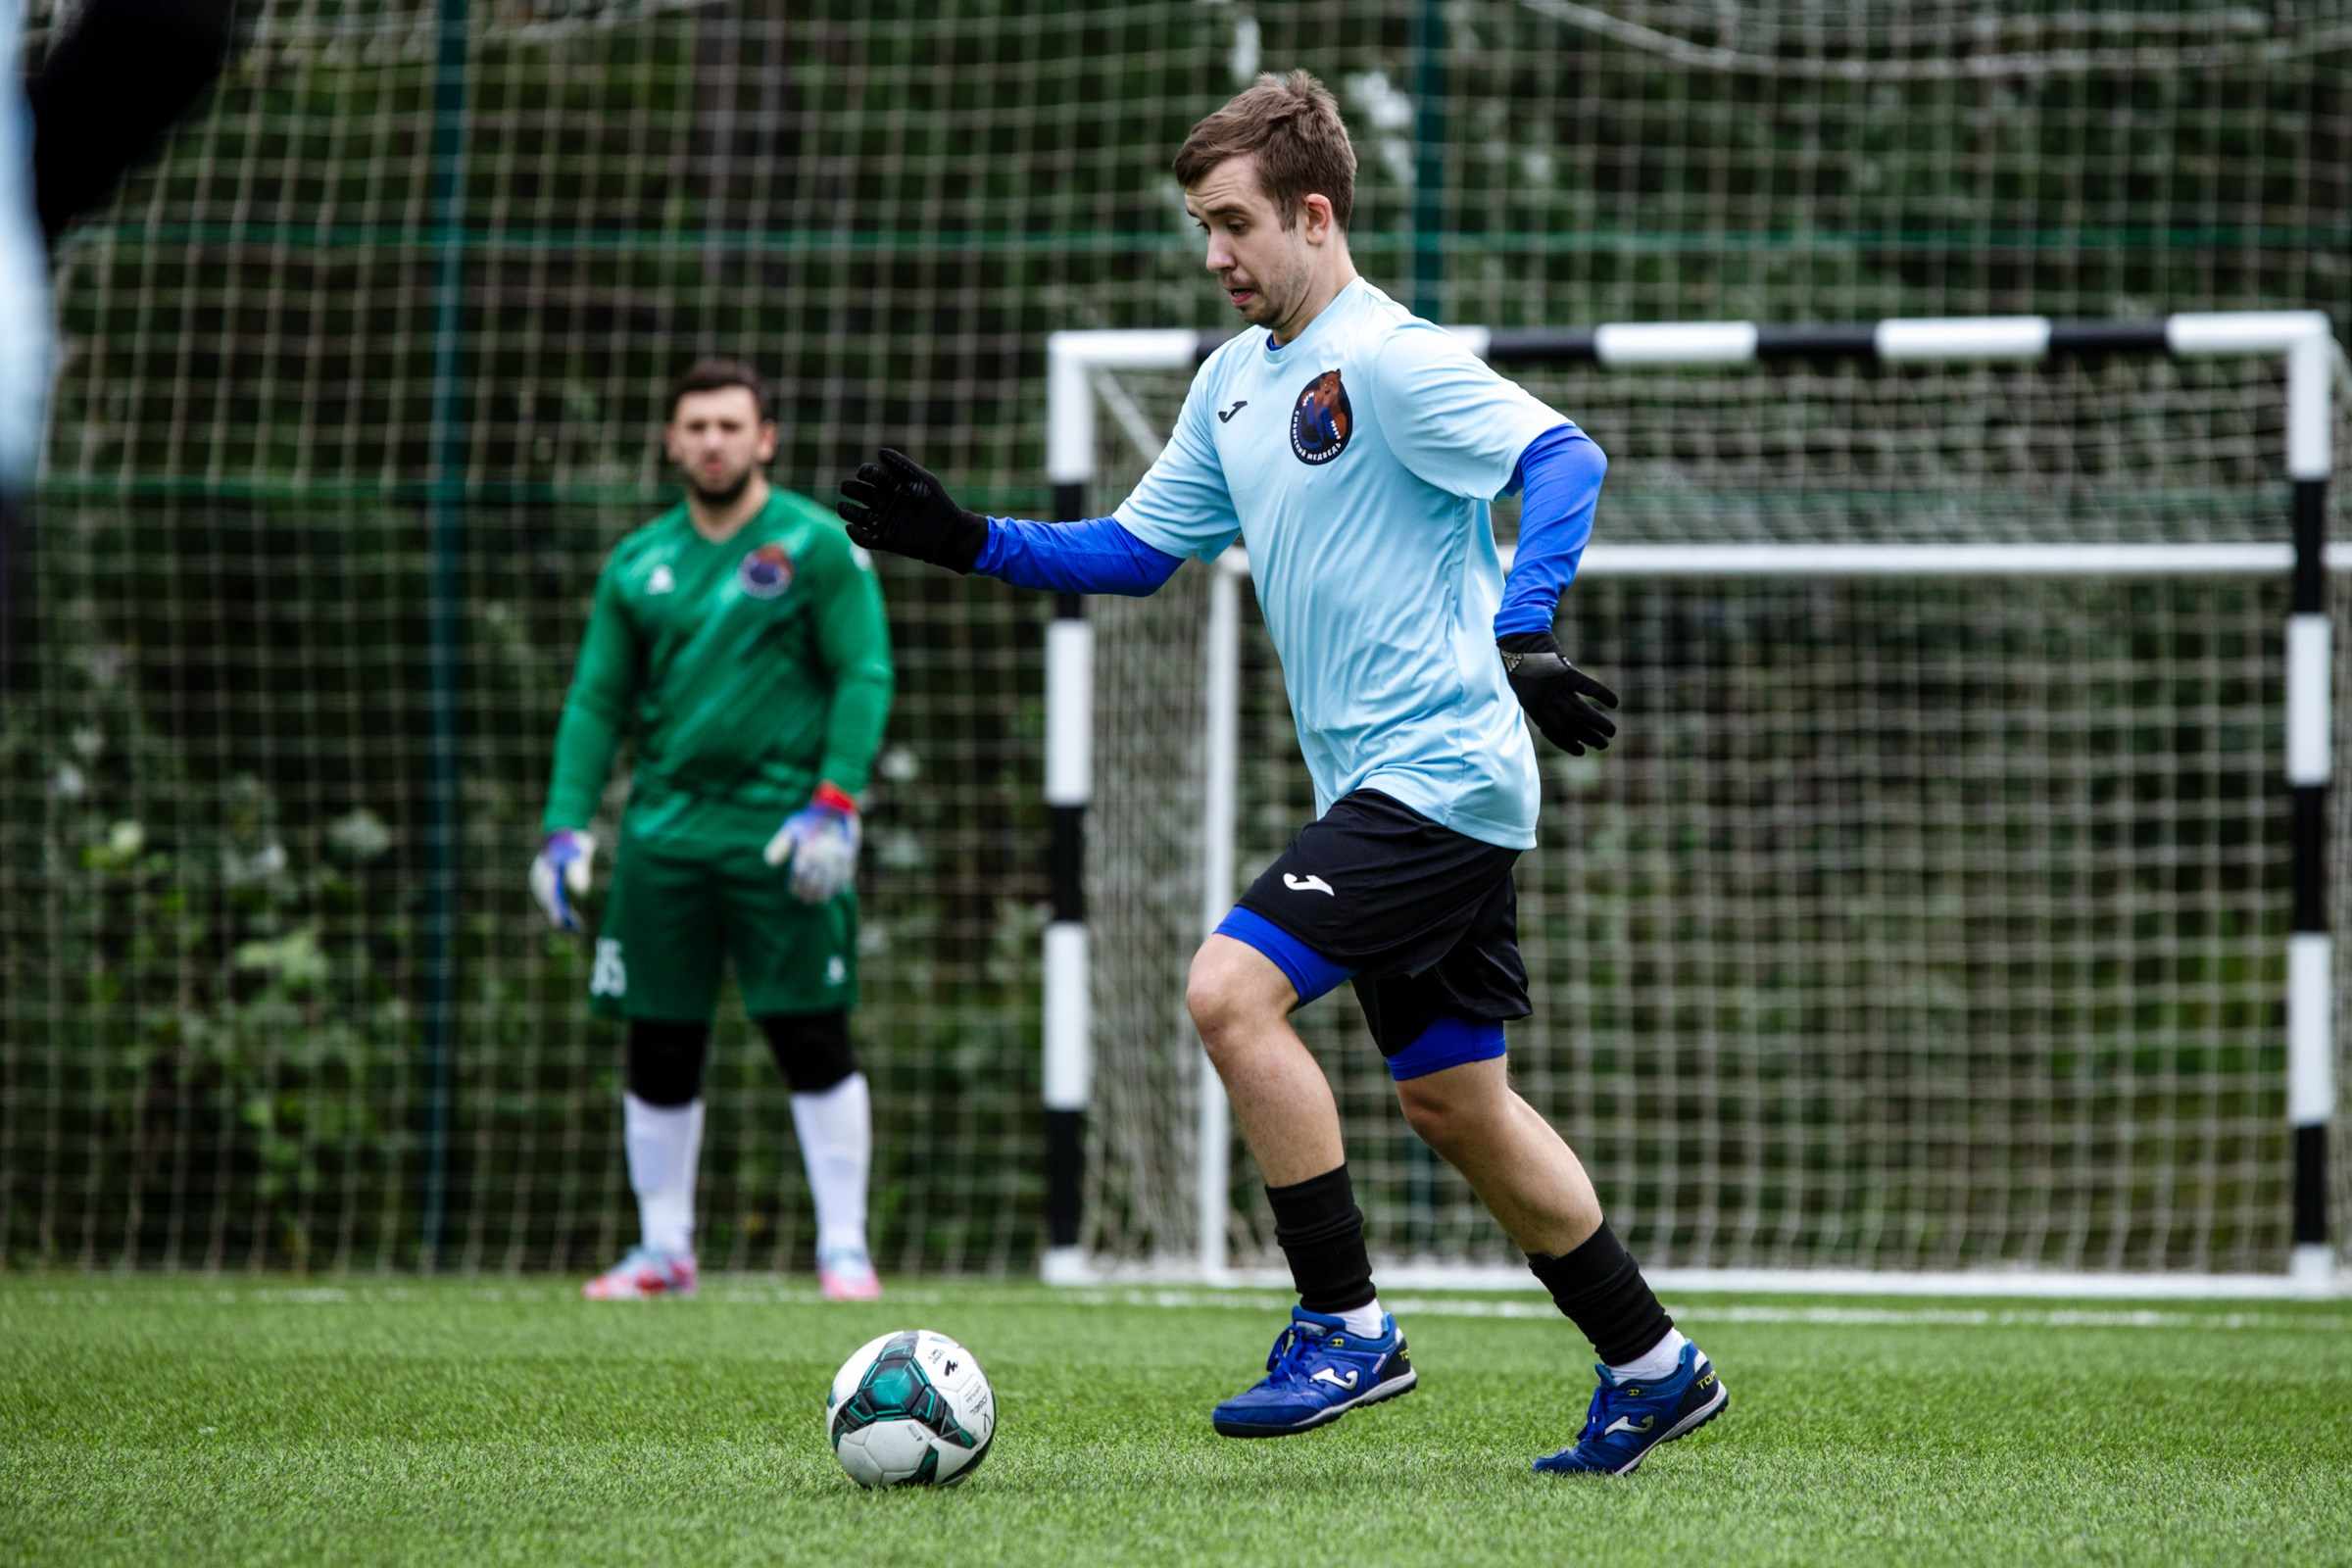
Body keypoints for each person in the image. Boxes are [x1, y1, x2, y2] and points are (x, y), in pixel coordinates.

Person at [837, 73, 1725, 1475]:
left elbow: (1563, 455)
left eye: (1234, 223)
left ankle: (1345, 1325)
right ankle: (1653, 1363)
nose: (1214, 256)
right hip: (1397, 785)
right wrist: (968, 540)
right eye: (1201, 226)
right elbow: (1137, 552)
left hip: (1439, 771)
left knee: (1228, 987)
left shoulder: (1387, 357)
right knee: (1453, 1101)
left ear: (1315, 215)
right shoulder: (1232, 383)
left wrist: (1526, 624)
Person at [535, 360, 895, 1302]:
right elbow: (596, 701)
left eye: (730, 425)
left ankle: (844, 1250)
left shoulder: (819, 548)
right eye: (694, 425)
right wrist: (565, 828)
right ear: (671, 440)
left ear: (764, 438)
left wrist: (835, 804)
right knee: (658, 1039)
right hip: (663, 838)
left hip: (786, 837)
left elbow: (864, 674)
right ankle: (664, 1250)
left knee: (811, 1032)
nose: (712, 441)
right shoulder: (636, 564)